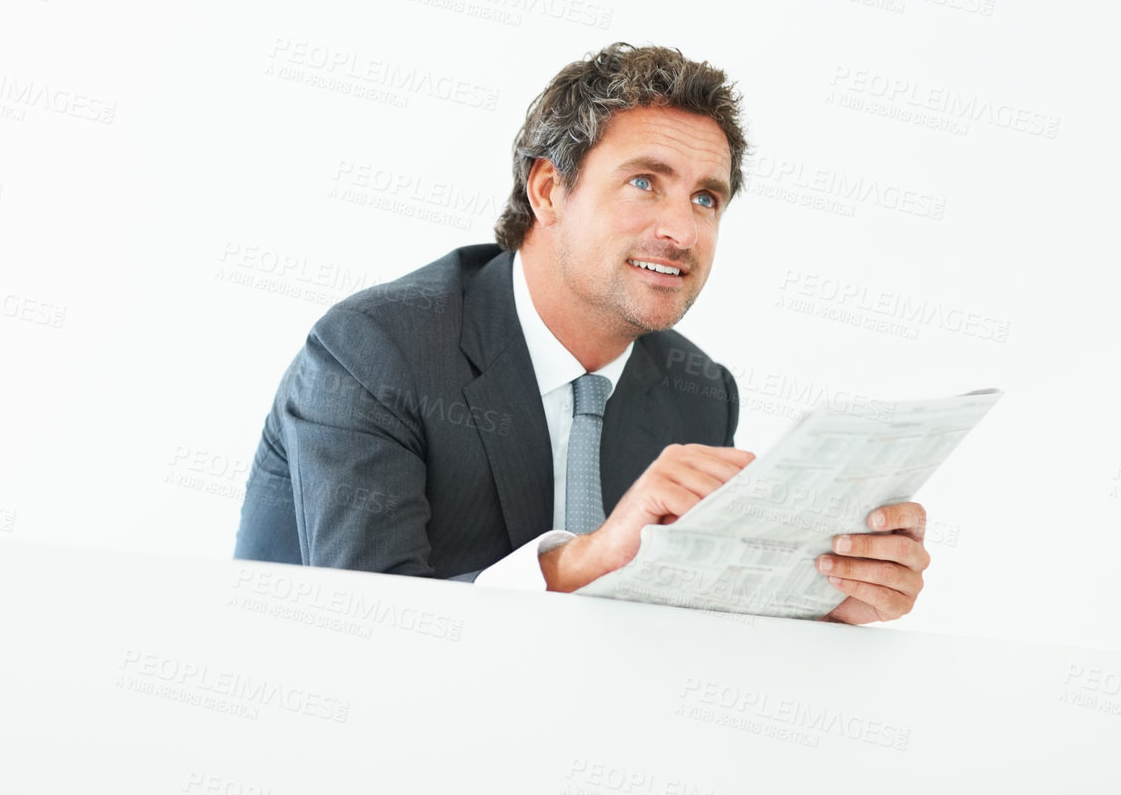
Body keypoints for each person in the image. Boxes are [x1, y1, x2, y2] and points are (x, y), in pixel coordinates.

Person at [233, 43, 930, 624]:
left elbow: (672, 636)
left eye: (705, 198)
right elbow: (367, 627)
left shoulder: (698, 392)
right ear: (546, 191)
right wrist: (593, 556)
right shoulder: (375, 352)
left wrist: (822, 603)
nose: (682, 231)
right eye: (644, 183)